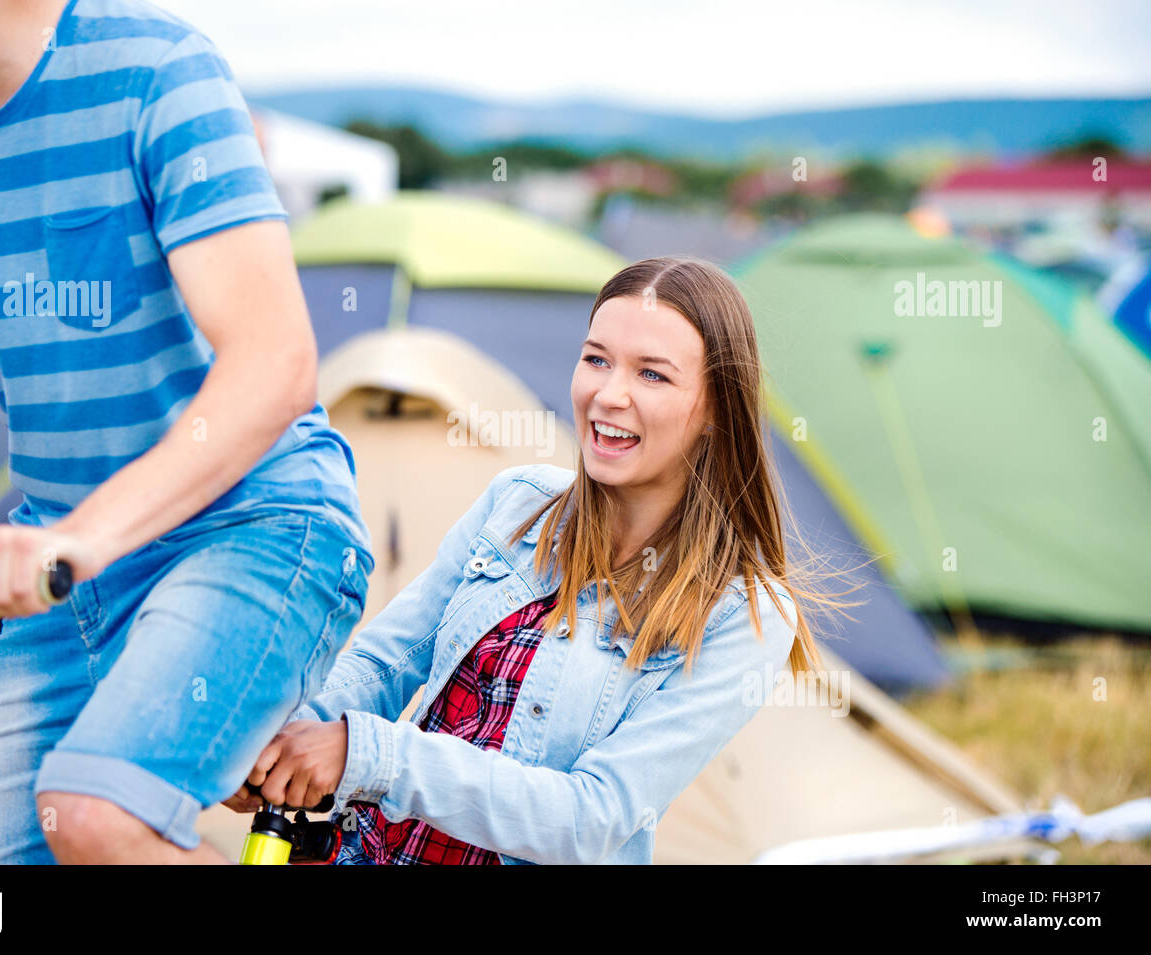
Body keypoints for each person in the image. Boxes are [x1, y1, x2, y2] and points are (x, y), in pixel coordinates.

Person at [0, 0, 372, 863]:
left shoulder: (154, 70)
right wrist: (67, 549)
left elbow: (275, 361)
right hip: (63, 583)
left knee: (94, 813)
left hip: (252, 529)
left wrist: (77, 539)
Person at [228, 256, 855, 865]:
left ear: (717, 408)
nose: (609, 394)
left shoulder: (742, 613)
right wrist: (286, 742)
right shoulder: (516, 502)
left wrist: (366, 754)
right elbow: (386, 661)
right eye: (596, 360)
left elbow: (590, 819)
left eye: (652, 375)